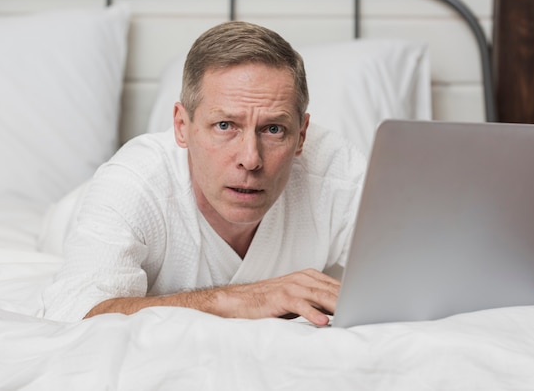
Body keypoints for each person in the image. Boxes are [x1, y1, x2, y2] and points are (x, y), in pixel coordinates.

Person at [42, 21, 366, 326]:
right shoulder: (133, 183)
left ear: (302, 136)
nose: (251, 160)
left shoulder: (339, 174)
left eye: (273, 129)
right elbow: (75, 310)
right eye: (225, 125)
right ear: (182, 127)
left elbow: (409, 281)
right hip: (67, 219)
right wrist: (240, 299)